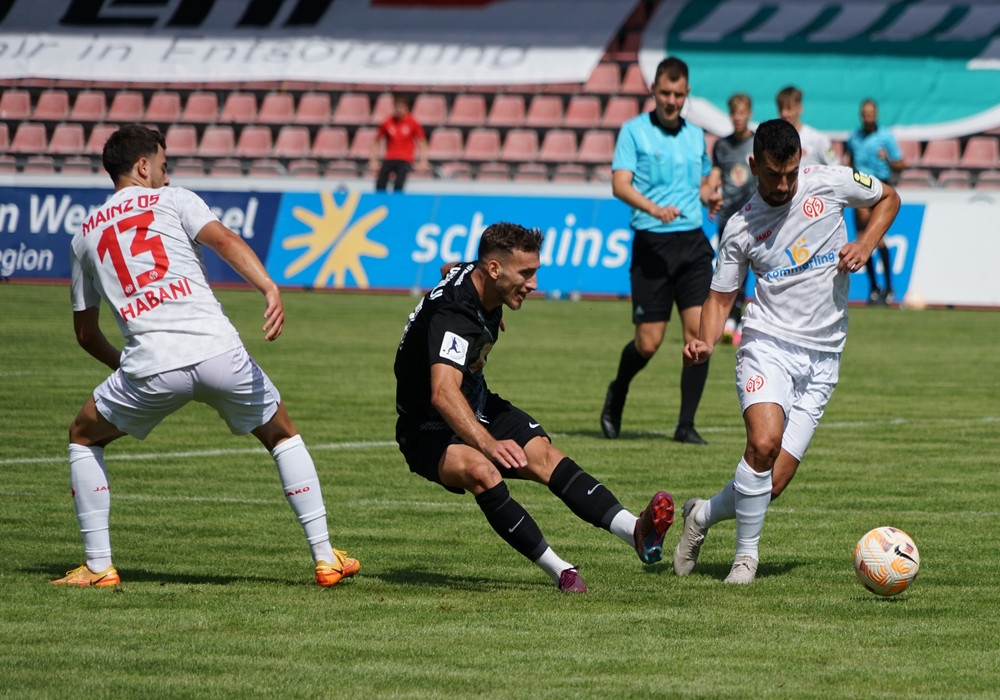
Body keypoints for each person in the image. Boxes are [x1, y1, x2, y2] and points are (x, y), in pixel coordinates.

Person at [54, 125, 358, 588]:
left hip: (149, 364)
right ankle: (324, 557)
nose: (165, 172)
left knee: (83, 435)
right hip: (218, 350)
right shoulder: (175, 200)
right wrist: (269, 287)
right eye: (163, 164)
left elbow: (84, 332)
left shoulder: (83, 238)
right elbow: (224, 241)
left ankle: (99, 567)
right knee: (281, 434)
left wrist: (131, 368)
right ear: (143, 166)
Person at [673, 119, 900, 584]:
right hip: (768, 343)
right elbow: (720, 299)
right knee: (762, 443)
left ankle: (700, 516)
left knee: (770, 483)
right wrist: (705, 339)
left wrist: (865, 241)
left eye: (791, 174)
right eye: (774, 174)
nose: (783, 184)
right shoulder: (739, 228)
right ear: (754, 165)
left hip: (824, 354)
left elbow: (889, 196)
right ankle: (745, 559)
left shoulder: (829, 182)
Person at [394, 221, 675, 593]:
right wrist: (489, 444)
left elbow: (452, 268)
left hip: (475, 402)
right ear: (493, 269)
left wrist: (491, 312)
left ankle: (635, 531)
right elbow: (443, 393)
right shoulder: (455, 316)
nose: (533, 285)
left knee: (543, 455)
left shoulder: (475, 277)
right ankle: (561, 571)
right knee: (482, 470)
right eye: (525, 274)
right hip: (426, 430)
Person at [600, 56, 722, 445]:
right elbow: (620, 185)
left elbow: (698, 186)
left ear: (687, 94)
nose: (671, 100)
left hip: (692, 244)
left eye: (678, 94)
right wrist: (654, 208)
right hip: (652, 245)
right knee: (648, 343)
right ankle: (617, 390)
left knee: (697, 337)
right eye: (665, 93)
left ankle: (685, 425)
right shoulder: (633, 132)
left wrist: (709, 197)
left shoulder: (694, 135)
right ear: (654, 90)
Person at [844, 99, 905, 305]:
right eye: (865, 114)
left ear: (876, 115)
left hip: (880, 189)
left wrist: (887, 158)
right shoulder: (854, 136)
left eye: (871, 114)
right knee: (862, 238)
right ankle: (873, 287)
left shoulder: (885, 137)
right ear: (861, 115)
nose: (868, 118)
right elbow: (850, 160)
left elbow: (900, 164)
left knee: (877, 239)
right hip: (859, 188)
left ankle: (888, 287)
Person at [709, 92, 757, 347]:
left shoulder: (757, 143)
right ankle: (730, 320)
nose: (737, 118)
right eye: (734, 113)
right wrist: (709, 193)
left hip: (752, 217)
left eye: (742, 113)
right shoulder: (721, 146)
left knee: (749, 268)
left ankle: (736, 319)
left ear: (749, 113)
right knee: (728, 269)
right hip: (727, 218)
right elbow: (714, 176)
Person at [369, 92, 428, 192]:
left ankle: (397, 205)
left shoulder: (412, 122)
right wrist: (373, 161)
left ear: (406, 108)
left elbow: (422, 143)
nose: (399, 110)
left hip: (405, 158)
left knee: (399, 184)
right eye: (397, 107)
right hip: (390, 157)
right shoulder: (388, 122)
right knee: (380, 184)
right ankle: (381, 204)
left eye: (401, 107)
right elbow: (376, 141)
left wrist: (423, 162)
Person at [776, 86, 837, 167]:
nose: (784, 113)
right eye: (781, 109)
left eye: (789, 108)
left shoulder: (819, 139)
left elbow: (836, 167)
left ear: (800, 108)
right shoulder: (775, 139)